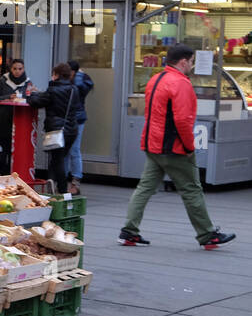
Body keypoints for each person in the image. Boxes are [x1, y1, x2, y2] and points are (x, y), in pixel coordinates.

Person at [119, 45, 236, 249]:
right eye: (191, 62)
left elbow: (152, 114)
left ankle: (129, 232)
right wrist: (190, 147)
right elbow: (183, 120)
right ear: (183, 62)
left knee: (144, 188)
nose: (192, 66)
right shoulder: (180, 83)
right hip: (173, 147)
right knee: (192, 189)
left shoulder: (156, 79)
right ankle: (207, 235)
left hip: (153, 143)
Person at [27, 63, 82, 193]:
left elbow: (36, 102)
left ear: (56, 75)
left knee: (57, 160)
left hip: (57, 130)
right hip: (72, 130)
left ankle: (62, 190)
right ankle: (52, 184)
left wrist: (32, 94)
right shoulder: (74, 89)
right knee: (60, 158)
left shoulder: (53, 90)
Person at [0, 59, 33, 175]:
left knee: (18, 150)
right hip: (3, 121)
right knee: (3, 149)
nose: (17, 71)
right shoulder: (4, 80)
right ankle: (2, 173)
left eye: (20, 69)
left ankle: (16, 173)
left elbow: (31, 99)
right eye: (15, 69)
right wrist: (9, 96)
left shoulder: (27, 83)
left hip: (20, 121)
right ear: (10, 69)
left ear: (23, 69)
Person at [66, 60, 94, 195]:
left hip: (75, 118)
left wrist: (77, 76)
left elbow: (77, 89)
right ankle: (70, 181)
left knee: (73, 150)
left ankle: (74, 181)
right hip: (76, 118)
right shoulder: (83, 80)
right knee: (70, 150)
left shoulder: (79, 81)